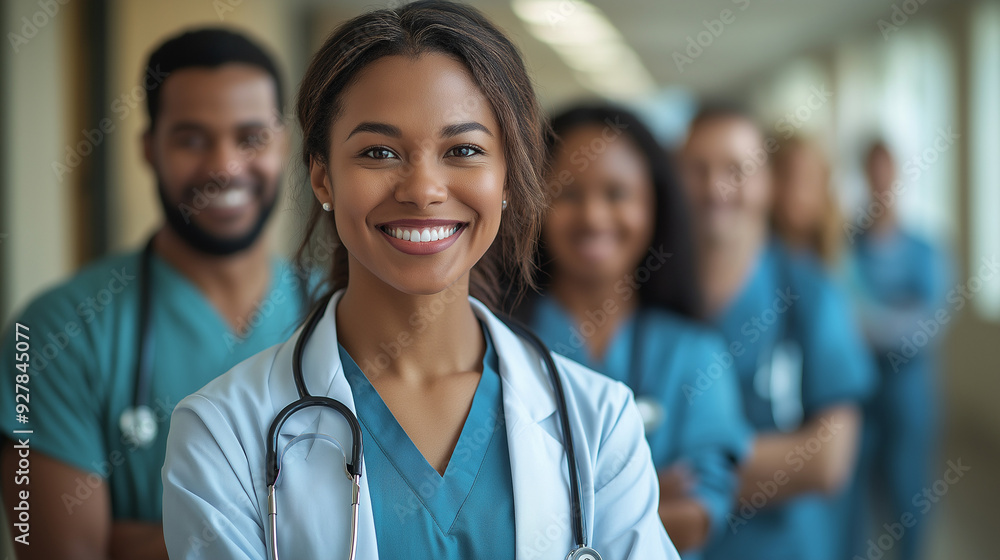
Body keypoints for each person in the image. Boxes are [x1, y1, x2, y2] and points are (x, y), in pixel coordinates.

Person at [161, 3, 677, 559]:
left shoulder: (598, 423)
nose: (423, 188)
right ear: (322, 176)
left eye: (464, 151)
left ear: (508, 175)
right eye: (379, 152)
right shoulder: (222, 432)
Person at [0, 28, 308, 559]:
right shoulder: (49, 332)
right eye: (191, 138)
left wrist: (135, 540)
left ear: (282, 145)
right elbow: (58, 553)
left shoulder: (346, 312)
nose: (224, 167)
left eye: (250, 137)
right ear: (149, 148)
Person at [513, 104, 751, 556]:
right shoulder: (499, 347)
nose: (594, 217)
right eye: (567, 194)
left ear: (654, 207)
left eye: (617, 194)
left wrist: (557, 512)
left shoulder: (694, 354)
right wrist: (641, 497)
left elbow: (699, 516)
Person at [680, 105, 876, 560]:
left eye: (736, 170)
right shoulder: (651, 296)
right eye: (697, 170)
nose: (714, 187)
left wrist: (677, 470)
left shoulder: (811, 294)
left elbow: (828, 461)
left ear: (767, 183)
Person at [838, 140, 950, 560]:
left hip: (909, 394)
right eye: (872, 170)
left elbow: (924, 326)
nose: (880, 180)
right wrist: (887, 316)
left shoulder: (925, 248)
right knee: (853, 500)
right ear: (864, 175)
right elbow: (840, 315)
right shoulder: (847, 243)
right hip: (861, 392)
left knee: (909, 495)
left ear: (898, 174)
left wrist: (867, 319)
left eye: (887, 170)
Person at [771, 136, 843, 268]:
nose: (797, 190)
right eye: (789, 177)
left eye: (809, 178)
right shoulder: (756, 259)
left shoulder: (838, 261)